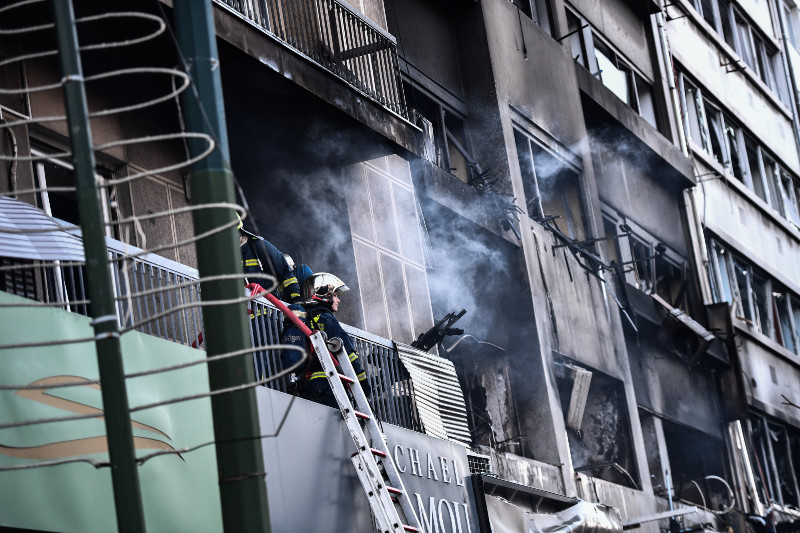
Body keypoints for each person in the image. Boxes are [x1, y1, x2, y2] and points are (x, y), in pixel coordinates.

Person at [296, 272, 370, 408]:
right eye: (335, 295)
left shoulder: (307, 319)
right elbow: (348, 354)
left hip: (309, 386)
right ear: (325, 295)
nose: (338, 300)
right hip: (329, 385)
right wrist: (363, 384)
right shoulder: (327, 319)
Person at [238, 215, 301, 303]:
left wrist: (296, 301)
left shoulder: (258, 246)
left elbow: (286, 274)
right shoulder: (225, 254)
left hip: (268, 313)